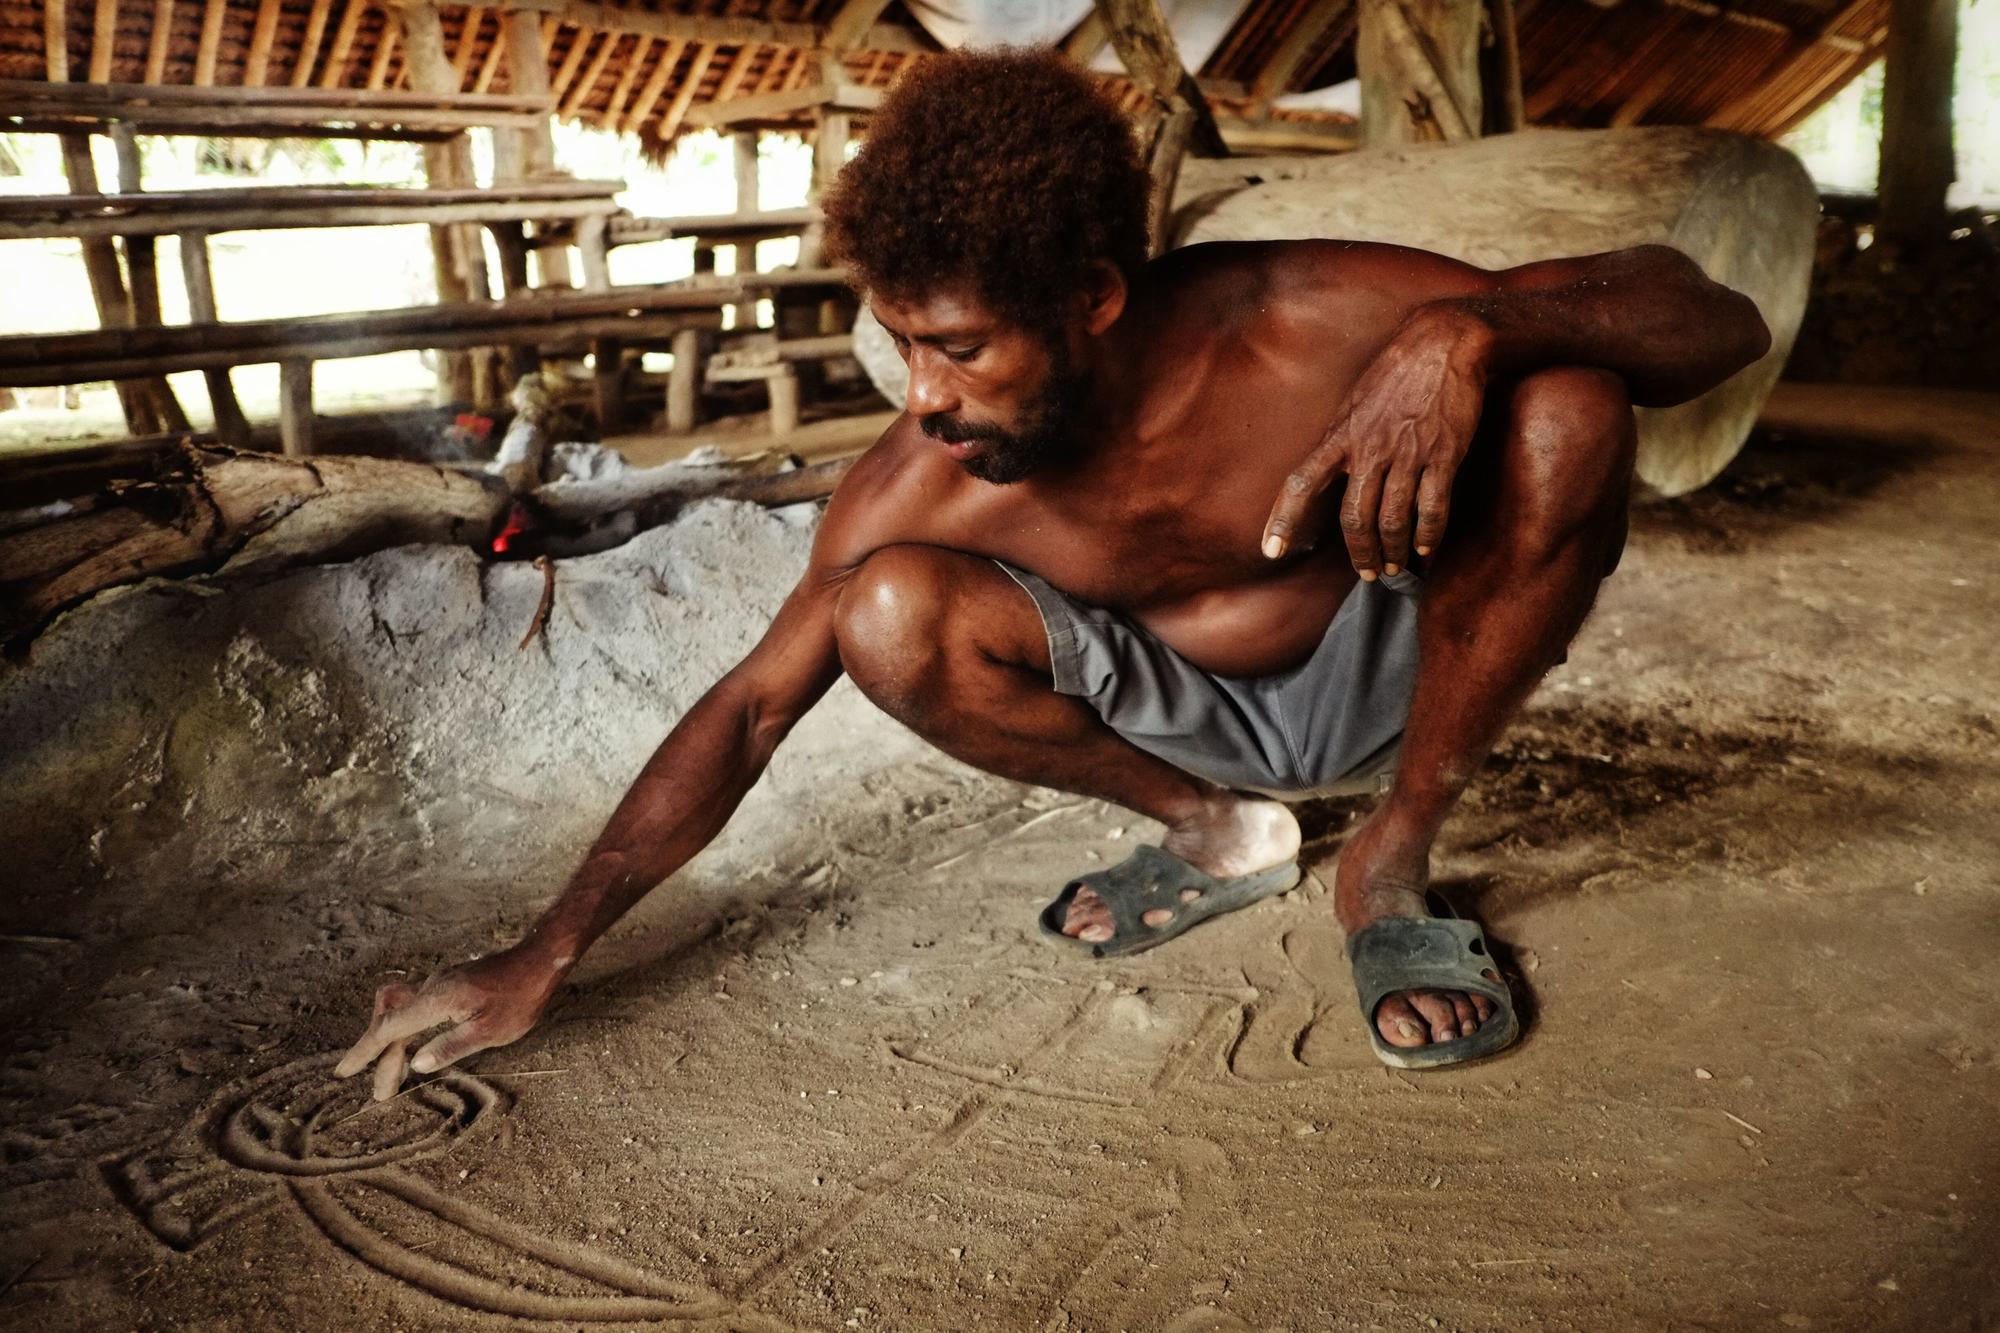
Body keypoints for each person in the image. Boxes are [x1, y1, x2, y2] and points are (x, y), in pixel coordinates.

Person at [338, 47, 1770, 1090]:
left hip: (1399, 661)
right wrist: (548, 948)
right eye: (904, 341)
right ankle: (1221, 830)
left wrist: (1470, 335)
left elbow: (1710, 314)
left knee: (1569, 406)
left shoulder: (1298, 315)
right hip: (1186, 715)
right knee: (883, 611)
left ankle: (1390, 861)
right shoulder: (923, 481)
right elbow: (749, 709)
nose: (925, 393)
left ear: (1091, 300)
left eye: (958, 345)